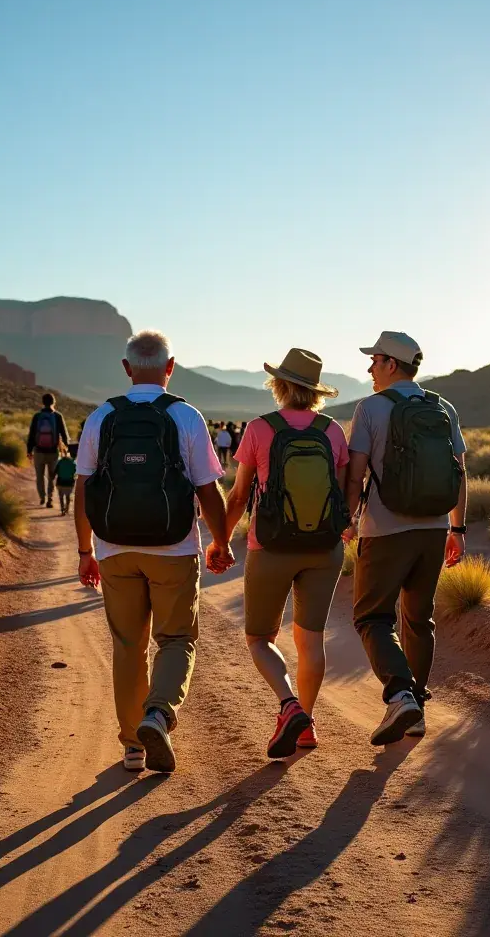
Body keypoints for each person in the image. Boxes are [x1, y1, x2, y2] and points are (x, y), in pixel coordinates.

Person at [74, 330, 234, 774]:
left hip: (114, 549)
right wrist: (221, 541)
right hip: (173, 548)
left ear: (127, 369)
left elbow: (84, 487)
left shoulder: (102, 416)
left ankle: (132, 747)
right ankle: (157, 714)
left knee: (128, 645)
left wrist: (85, 549)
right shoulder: (186, 416)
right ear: (170, 366)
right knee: (176, 638)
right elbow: (207, 487)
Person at [222, 349, 349, 757]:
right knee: (311, 639)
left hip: (271, 547)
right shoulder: (333, 431)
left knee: (260, 637)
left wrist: (220, 540)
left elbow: (239, 494)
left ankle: (288, 704)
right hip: (324, 549)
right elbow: (344, 493)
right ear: (315, 392)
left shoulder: (260, 429)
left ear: (279, 384)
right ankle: (307, 725)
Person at [344, 331, 467, 746]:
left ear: (391, 364)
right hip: (433, 530)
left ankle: (400, 695)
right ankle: (415, 712)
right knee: (418, 618)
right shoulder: (444, 407)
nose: (370, 368)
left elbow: (356, 472)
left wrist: (347, 518)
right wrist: (458, 529)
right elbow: (459, 472)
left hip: (384, 530)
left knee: (371, 617)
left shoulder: (370, 408)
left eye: (375, 360)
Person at [26, 393, 70, 508]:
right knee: (52, 476)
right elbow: (64, 434)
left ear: (43, 402)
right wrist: (67, 448)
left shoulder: (37, 416)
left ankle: (42, 497)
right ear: (53, 402)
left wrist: (29, 450)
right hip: (53, 451)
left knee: (39, 476)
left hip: (39, 451)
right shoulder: (57, 416)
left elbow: (31, 435)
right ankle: (50, 499)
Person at [54, 446, 77, 515]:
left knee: (61, 497)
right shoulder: (73, 463)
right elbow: (75, 472)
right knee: (68, 496)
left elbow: (55, 472)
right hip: (69, 483)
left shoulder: (60, 462)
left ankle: (62, 510)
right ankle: (66, 509)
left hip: (60, 482)